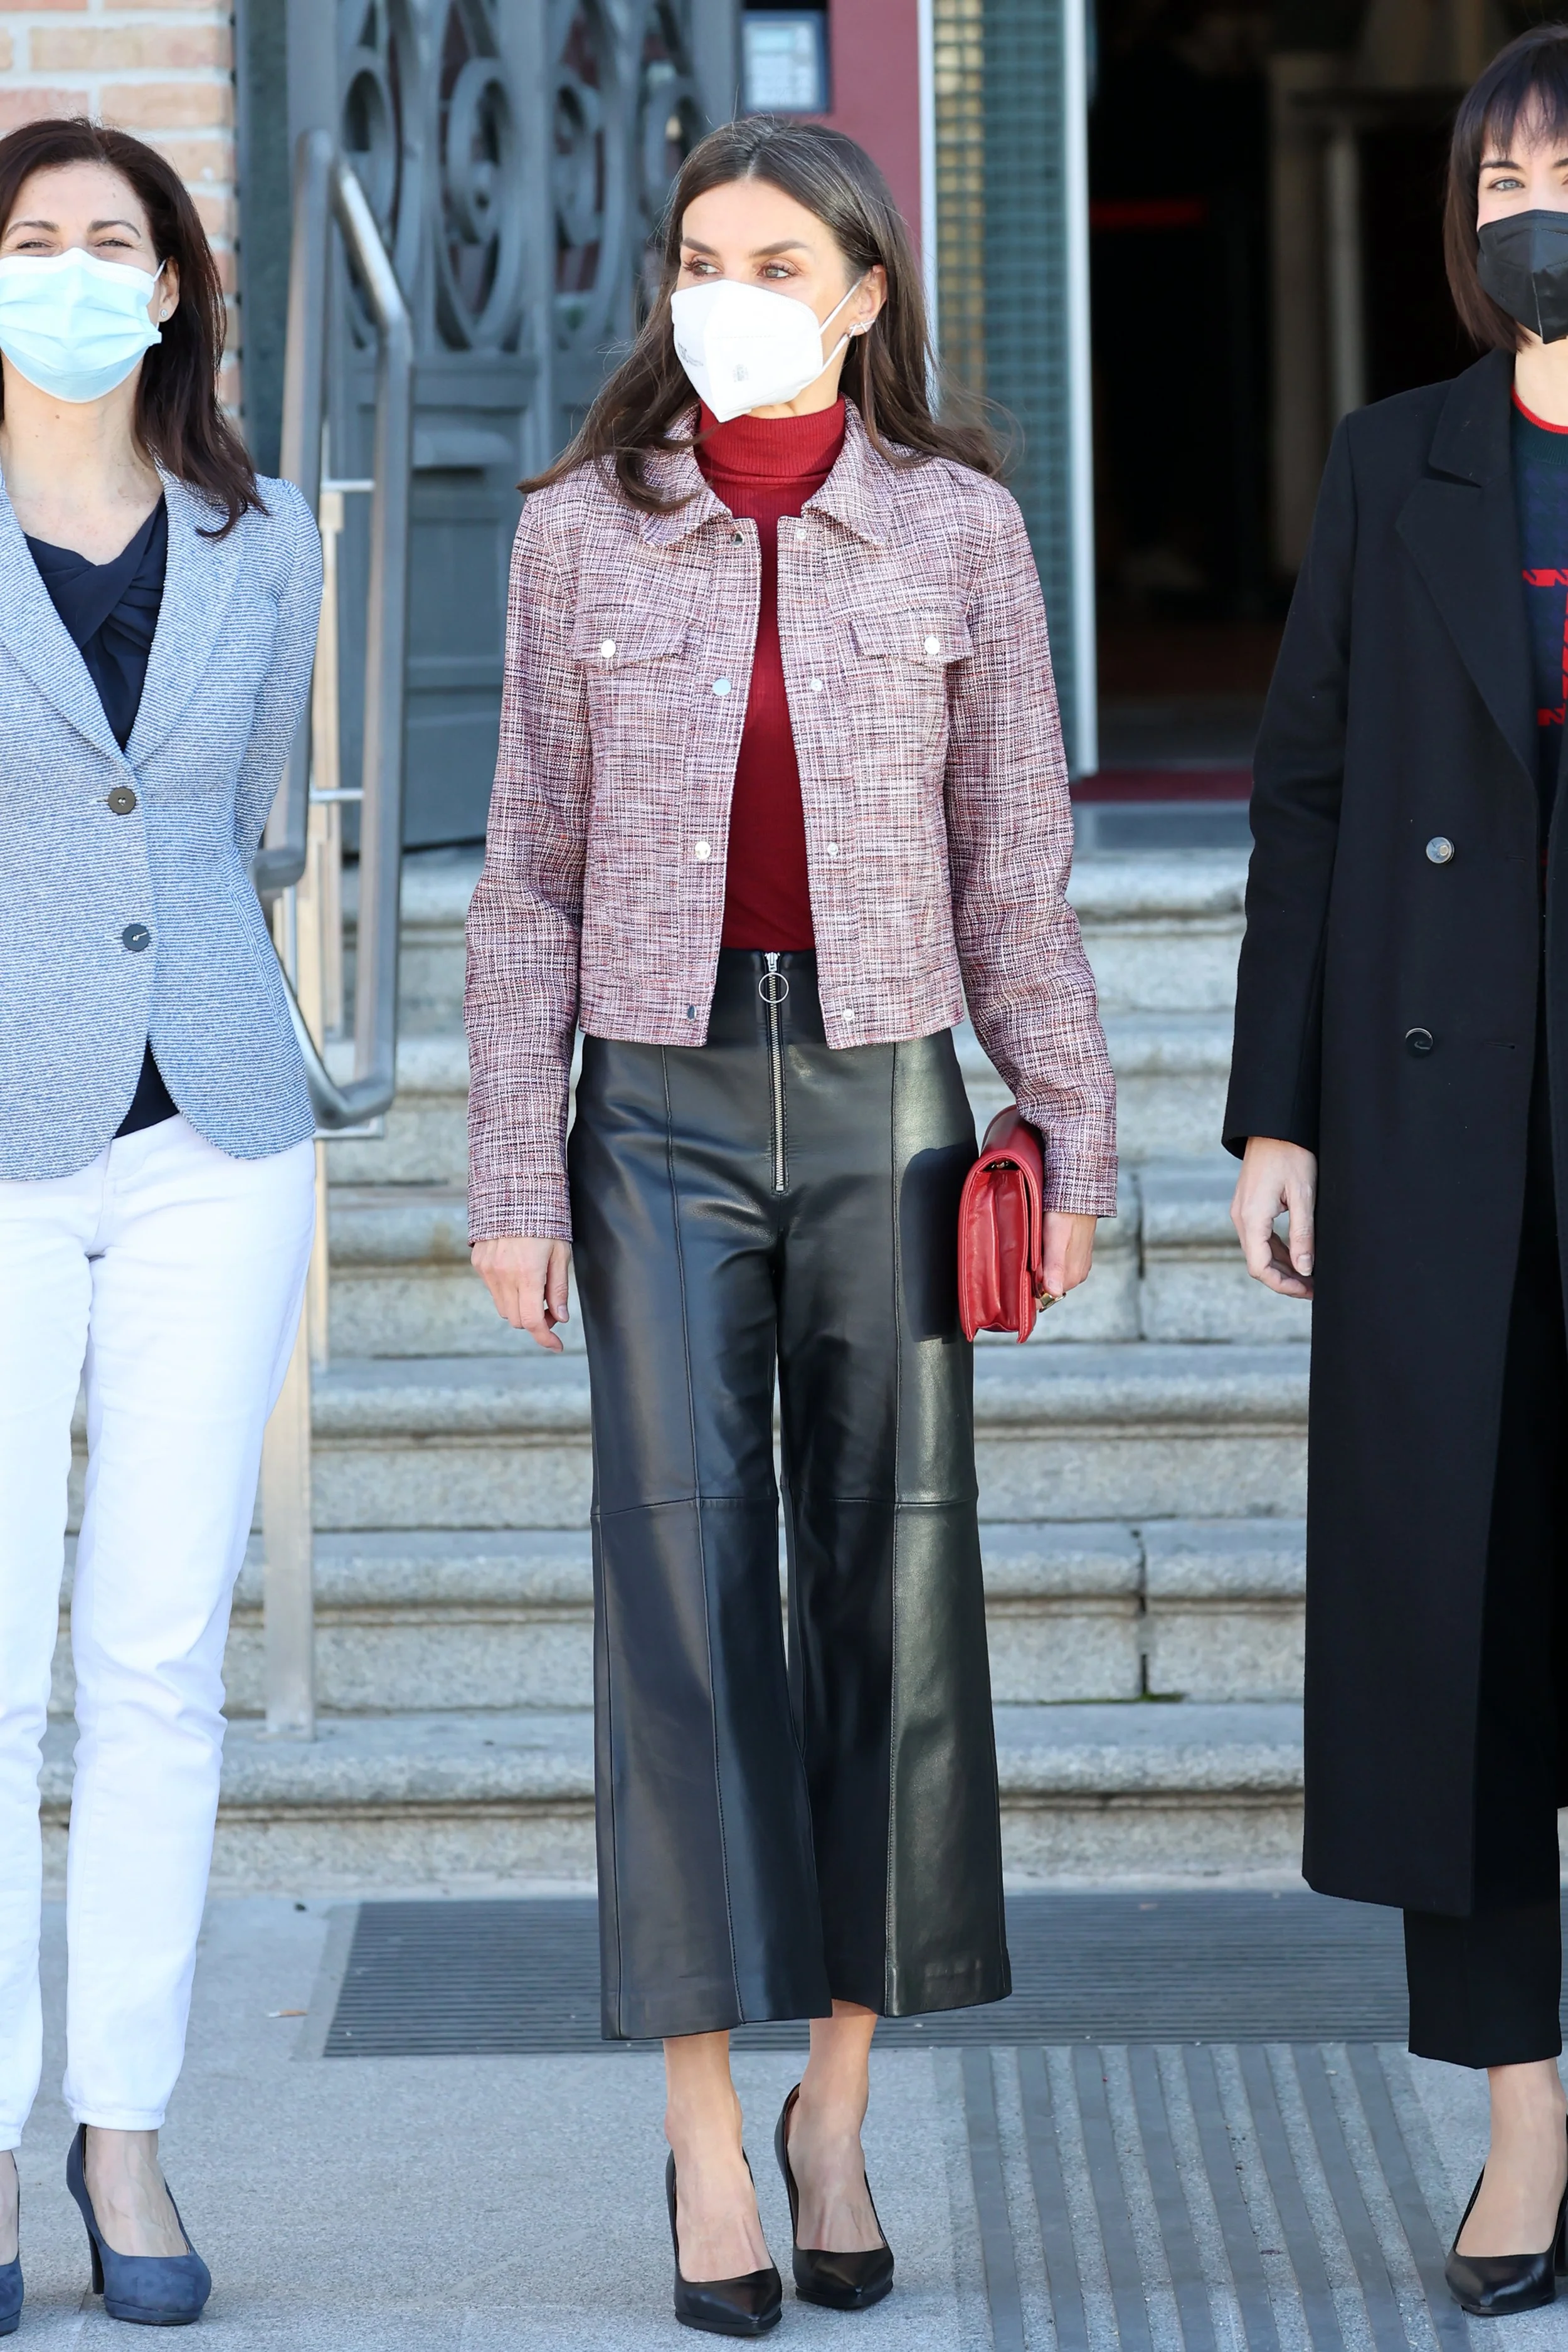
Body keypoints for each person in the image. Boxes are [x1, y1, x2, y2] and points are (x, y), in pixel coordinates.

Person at [467, 115, 1116, 2336]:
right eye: (692, 254)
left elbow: (1011, 859)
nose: (720, 288)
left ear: (857, 294)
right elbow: (529, 869)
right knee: (672, 1592)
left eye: (770, 258)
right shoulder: (578, 531)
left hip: (888, 1105)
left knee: (890, 1579)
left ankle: (836, 2092)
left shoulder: (955, 531)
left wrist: (1074, 1130)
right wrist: (500, 1171)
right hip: (647, 1111)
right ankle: (693, 2136)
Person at [1227, 23, 1568, 2321]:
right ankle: (1520, 2127)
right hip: (1450, 1132)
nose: (1533, 193)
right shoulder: (1394, 461)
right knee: (1475, 1643)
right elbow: (1307, 791)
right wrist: (1280, 1107)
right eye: (1505, 167)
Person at [0, 119, 321, 2329]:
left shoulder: (265, 530)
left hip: (217, 1128)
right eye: (30, 239)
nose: (74, 269)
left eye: (113, 239)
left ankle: (123, 2136)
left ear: (181, 286)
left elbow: (258, 812)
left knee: (154, 1669)